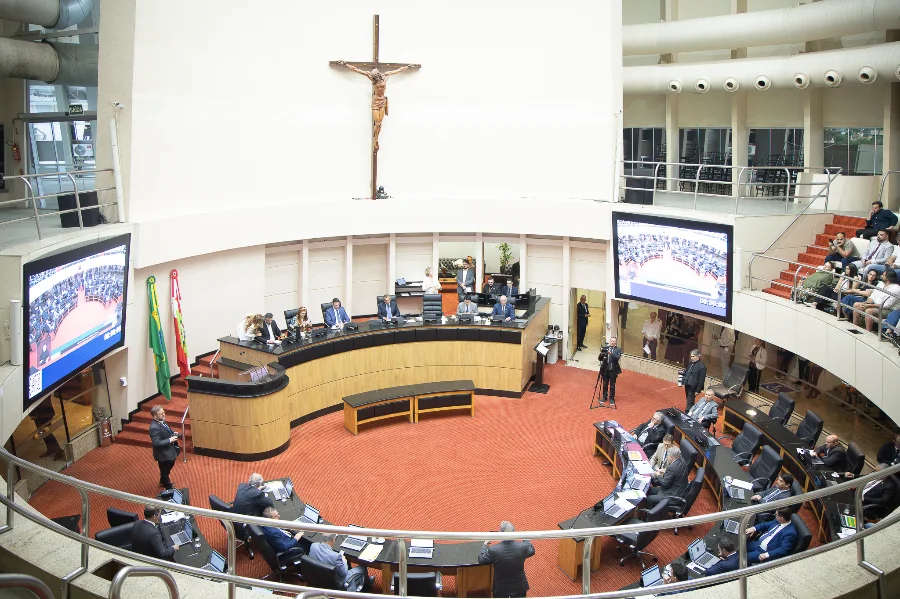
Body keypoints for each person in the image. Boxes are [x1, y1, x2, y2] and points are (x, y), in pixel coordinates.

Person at [333, 60, 420, 152]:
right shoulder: (372, 78)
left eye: (376, 75)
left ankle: (376, 139)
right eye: (374, 76)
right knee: (377, 121)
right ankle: (376, 139)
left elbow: (398, 70)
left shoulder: (385, 76)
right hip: (375, 101)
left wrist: (408, 67)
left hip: (382, 101)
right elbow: (356, 70)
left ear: (378, 74)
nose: (375, 77)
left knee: (379, 123)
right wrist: (346, 65)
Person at [478, 521, 535, 598]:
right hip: (519, 586)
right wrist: (523, 537)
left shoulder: (494, 550)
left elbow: (481, 560)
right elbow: (532, 551)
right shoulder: (522, 547)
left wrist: (485, 544)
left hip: (501, 588)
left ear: (501, 534)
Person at [149, 405, 179, 490]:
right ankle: (168, 487)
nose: (163, 415)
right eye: (160, 414)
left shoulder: (162, 421)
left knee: (170, 465)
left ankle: (162, 481)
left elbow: (168, 430)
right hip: (163, 454)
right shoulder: (154, 427)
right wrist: (170, 440)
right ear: (155, 415)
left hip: (169, 451)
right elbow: (156, 443)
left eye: (163, 412)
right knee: (165, 471)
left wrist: (173, 433)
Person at [598, 336, 623, 407]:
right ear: (610, 341)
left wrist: (611, 353)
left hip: (613, 370)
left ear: (615, 342)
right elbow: (600, 358)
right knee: (605, 384)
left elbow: (617, 358)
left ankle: (611, 398)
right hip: (605, 370)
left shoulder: (618, 349)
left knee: (612, 385)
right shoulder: (606, 348)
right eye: (611, 341)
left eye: (614, 341)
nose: (612, 342)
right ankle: (604, 397)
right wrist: (601, 353)